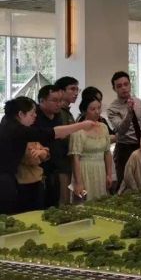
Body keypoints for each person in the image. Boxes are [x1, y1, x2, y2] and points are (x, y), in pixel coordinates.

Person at [0, 97, 98, 214]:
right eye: (31, 114)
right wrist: (81, 126)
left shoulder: (7, 124)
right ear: (20, 114)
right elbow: (50, 133)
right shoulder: (16, 129)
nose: (35, 116)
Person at [107, 71, 141, 189]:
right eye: (119, 86)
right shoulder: (112, 108)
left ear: (130, 84)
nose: (123, 88)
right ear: (114, 89)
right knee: (125, 185)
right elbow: (121, 130)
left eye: (126, 84)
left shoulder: (138, 102)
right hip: (125, 149)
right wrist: (129, 114)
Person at [69, 95, 112, 201]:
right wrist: (78, 182)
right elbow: (75, 158)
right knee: (84, 202)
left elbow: (107, 152)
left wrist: (109, 174)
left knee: (101, 201)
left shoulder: (104, 127)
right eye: (92, 109)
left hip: (100, 170)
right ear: (85, 111)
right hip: (84, 170)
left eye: (99, 108)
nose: (97, 112)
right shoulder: (78, 129)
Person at [35, 85, 66, 208]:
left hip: (55, 168)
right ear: (42, 100)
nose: (59, 104)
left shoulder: (58, 116)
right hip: (37, 169)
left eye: (60, 100)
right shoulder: (34, 116)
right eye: (54, 100)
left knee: (54, 203)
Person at [52, 76, 80, 205]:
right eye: (72, 89)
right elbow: (61, 135)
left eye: (77, 89)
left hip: (68, 163)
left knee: (69, 200)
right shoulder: (58, 113)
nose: (76, 93)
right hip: (60, 164)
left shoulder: (68, 113)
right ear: (61, 91)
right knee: (63, 201)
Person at [16, 141, 49, 212]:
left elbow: (47, 155)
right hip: (24, 181)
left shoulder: (33, 141)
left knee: (39, 211)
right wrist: (41, 152)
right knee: (27, 212)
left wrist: (42, 152)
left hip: (37, 180)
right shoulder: (21, 141)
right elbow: (32, 160)